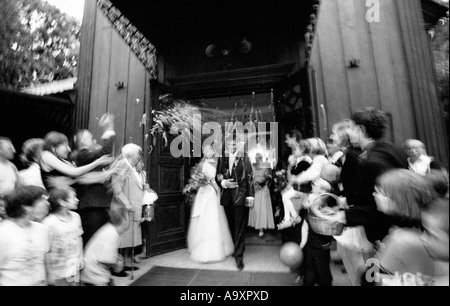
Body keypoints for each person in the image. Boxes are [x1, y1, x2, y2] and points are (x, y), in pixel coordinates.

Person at [331, 108, 408, 246]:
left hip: (384, 235)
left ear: (360, 129)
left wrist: (344, 216)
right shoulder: (394, 150)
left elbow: (378, 207)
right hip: (397, 230)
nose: (348, 132)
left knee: (373, 267)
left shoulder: (372, 162)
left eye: (351, 127)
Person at [361, 169, 437, 286]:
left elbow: (369, 279)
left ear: (397, 199)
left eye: (378, 192)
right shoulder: (428, 224)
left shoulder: (400, 237)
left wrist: (378, 257)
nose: (374, 194)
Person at [72, 113, 116, 246]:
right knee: (92, 240)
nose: (94, 139)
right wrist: (108, 128)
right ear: (83, 142)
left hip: (98, 204)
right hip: (92, 205)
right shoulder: (82, 154)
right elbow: (105, 151)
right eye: (91, 138)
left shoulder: (88, 156)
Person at [187, 144, 234, 263]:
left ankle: (219, 248)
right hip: (204, 193)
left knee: (214, 218)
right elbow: (195, 178)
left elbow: (220, 177)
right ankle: (202, 248)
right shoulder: (201, 164)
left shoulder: (219, 163)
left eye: (209, 150)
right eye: (204, 150)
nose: (206, 152)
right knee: (203, 218)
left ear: (213, 151)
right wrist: (197, 182)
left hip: (214, 192)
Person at [0, 186, 50, 286]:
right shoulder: (3, 233)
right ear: (26, 207)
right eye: (43, 200)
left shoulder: (42, 229)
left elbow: (44, 259)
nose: (48, 204)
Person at [217, 139, 254, 271]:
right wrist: (223, 183)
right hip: (227, 197)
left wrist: (250, 196)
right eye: (229, 144)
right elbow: (218, 175)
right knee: (232, 226)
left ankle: (239, 257)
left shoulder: (245, 157)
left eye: (234, 144)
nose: (231, 146)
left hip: (241, 196)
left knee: (240, 227)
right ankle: (237, 248)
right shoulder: (223, 157)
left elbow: (250, 177)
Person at [110, 143, 144, 272]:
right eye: (138, 154)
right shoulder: (121, 165)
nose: (139, 157)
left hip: (131, 208)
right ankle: (117, 267)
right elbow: (117, 189)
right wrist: (128, 204)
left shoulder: (132, 167)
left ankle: (126, 263)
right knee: (121, 239)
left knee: (128, 239)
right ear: (132, 154)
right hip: (123, 208)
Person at [40, 131, 113, 190]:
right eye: (65, 146)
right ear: (53, 147)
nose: (69, 149)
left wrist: (111, 171)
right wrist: (97, 162)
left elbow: (81, 177)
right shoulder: (46, 155)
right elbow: (74, 172)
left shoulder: (62, 160)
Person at [43, 187, 83, 286]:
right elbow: (46, 251)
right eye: (74, 197)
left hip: (74, 266)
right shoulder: (49, 223)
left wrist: (81, 257)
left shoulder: (76, 217)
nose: (77, 200)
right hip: (58, 271)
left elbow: (79, 237)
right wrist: (50, 273)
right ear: (62, 202)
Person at [81, 204, 129, 286]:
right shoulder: (112, 235)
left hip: (92, 272)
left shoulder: (109, 228)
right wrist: (116, 264)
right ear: (123, 220)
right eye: (128, 218)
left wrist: (115, 257)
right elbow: (105, 259)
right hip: (95, 277)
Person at [300, 177, 336, 286]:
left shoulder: (321, 199)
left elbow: (311, 211)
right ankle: (314, 281)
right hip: (317, 237)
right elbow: (305, 223)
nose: (312, 186)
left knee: (318, 263)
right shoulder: (317, 199)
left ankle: (316, 281)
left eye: (314, 185)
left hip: (319, 237)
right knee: (316, 262)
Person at [277, 139, 313, 229]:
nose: (293, 152)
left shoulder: (305, 160)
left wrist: (291, 165)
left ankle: (293, 218)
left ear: (302, 150)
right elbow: (293, 173)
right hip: (299, 188)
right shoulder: (300, 160)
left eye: (295, 150)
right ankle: (288, 218)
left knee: (285, 196)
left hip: (303, 189)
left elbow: (294, 173)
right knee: (285, 196)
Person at [248, 153, 275, 237]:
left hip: (263, 189)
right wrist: (252, 185)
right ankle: (256, 225)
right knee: (255, 207)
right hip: (255, 188)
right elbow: (250, 177)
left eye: (258, 158)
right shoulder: (253, 166)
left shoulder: (265, 166)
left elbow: (269, 177)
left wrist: (263, 183)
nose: (257, 159)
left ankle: (261, 228)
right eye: (256, 158)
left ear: (261, 158)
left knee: (262, 208)